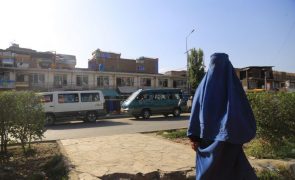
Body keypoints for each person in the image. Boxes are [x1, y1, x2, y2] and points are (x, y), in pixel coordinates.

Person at [187, 53, 257, 180]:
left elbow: (195, 113)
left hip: (217, 140)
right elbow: (244, 113)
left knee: (208, 174)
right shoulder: (234, 87)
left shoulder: (203, 88)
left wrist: (193, 137)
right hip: (228, 139)